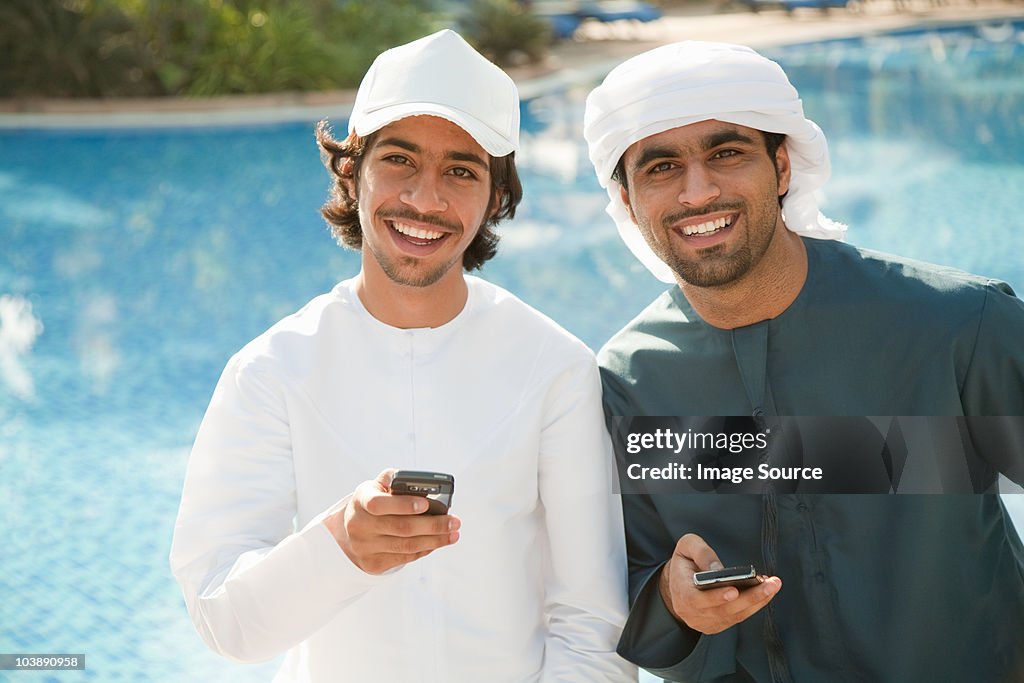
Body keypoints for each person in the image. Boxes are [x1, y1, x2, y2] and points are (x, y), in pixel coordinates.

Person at [170, 29, 635, 682]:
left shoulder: (556, 368)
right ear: (352, 168)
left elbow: (593, 625)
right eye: (400, 160)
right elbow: (223, 619)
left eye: (461, 171)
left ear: (496, 196)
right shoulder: (271, 370)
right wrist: (342, 546)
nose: (425, 198)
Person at [583, 40, 1024, 682]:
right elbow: (623, 579)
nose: (696, 192)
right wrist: (676, 602)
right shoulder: (629, 381)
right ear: (627, 201)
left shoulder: (959, 325)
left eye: (726, 153)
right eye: (660, 167)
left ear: (782, 167)